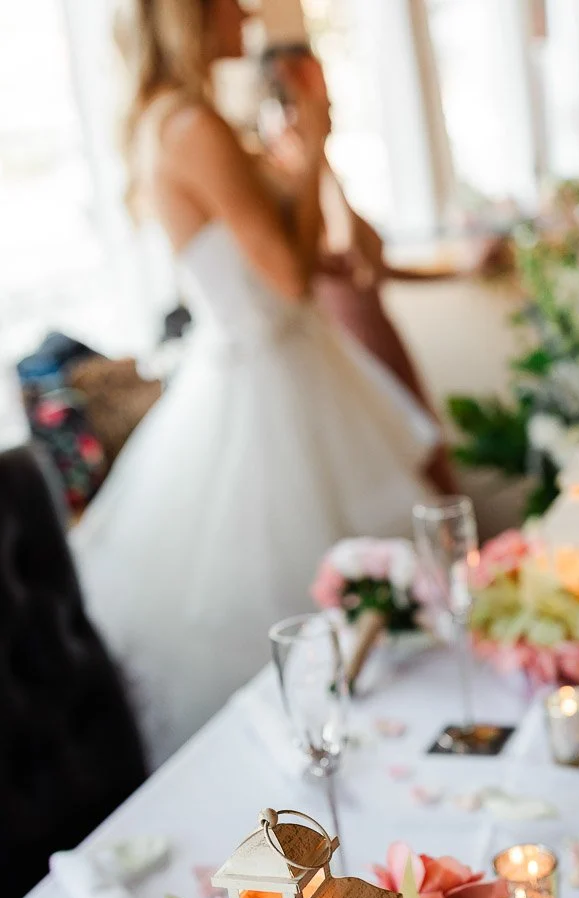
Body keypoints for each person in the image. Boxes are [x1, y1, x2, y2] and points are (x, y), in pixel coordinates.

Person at [71, 0, 441, 769]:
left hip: (280, 362)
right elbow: (287, 278)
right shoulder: (192, 126)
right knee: (311, 603)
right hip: (268, 380)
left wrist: (311, 163)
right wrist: (314, 145)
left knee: (360, 589)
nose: (243, 11)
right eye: (227, 1)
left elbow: (285, 261)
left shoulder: (170, 120)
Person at [258, 44, 485, 494]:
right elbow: (342, 256)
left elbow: (375, 270)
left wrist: (462, 270)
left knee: (430, 463)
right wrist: (315, 153)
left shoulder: (321, 172)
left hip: (380, 333)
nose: (326, 100)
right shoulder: (283, 179)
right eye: (309, 88)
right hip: (346, 347)